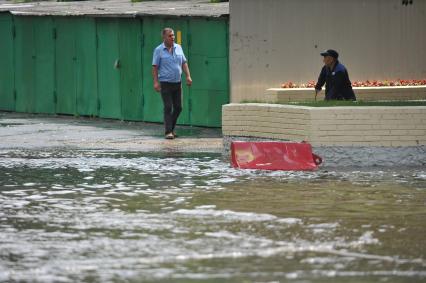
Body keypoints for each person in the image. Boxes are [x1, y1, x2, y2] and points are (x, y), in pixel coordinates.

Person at [152, 27, 192, 139]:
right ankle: (168, 131)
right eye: (170, 36)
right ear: (164, 37)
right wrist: (156, 82)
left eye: (173, 35)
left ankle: (171, 129)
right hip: (165, 83)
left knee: (179, 107)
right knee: (168, 107)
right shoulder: (158, 50)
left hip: (177, 83)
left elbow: (184, 63)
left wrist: (188, 76)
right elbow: (155, 67)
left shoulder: (178, 48)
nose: (172, 37)